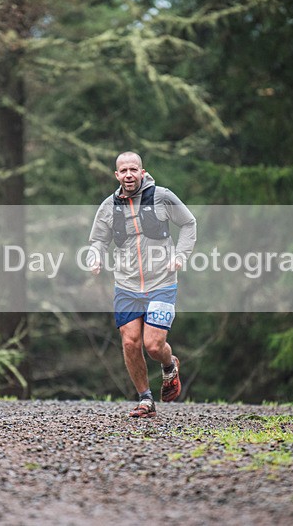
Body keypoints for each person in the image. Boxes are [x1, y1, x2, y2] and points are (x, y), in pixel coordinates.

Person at [87, 151, 196, 418]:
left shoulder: (162, 196)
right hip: (126, 285)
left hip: (162, 282)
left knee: (153, 346)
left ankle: (169, 365)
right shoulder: (109, 206)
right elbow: (99, 240)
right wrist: (95, 257)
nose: (128, 175)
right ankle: (145, 398)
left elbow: (189, 223)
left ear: (142, 171)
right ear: (117, 175)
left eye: (133, 170)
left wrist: (180, 255)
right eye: (123, 171)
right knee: (129, 342)